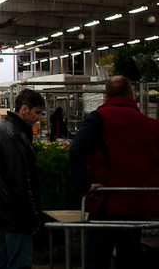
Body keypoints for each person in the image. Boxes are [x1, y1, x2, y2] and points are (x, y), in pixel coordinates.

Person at [69, 76, 159, 269]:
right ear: (133, 94)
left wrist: (83, 185)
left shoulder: (99, 118)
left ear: (106, 95)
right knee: (129, 260)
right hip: (137, 204)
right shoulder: (152, 125)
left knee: (96, 260)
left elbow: (76, 149)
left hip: (104, 203)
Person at [0, 89, 44, 269]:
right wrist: (32, 217)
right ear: (24, 109)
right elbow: (20, 182)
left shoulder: (2, 130)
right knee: (18, 263)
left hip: (3, 211)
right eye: (37, 112)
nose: (39, 117)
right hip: (15, 215)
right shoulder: (14, 136)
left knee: (5, 260)